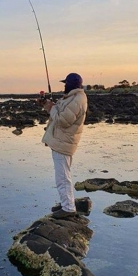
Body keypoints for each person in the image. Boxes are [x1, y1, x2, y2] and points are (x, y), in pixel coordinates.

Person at [40, 72, 87, 219]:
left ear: (71, 84)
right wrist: (49, 105)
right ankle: (66, 202)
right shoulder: (72, 98)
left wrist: (52, 108)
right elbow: (60, 112)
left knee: (62, 177)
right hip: (62, 141)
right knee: (63, 175)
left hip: (64, 143)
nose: (64, 86)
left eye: (65, 83)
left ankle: (68, 208)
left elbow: (62, 120)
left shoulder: (78, 99)